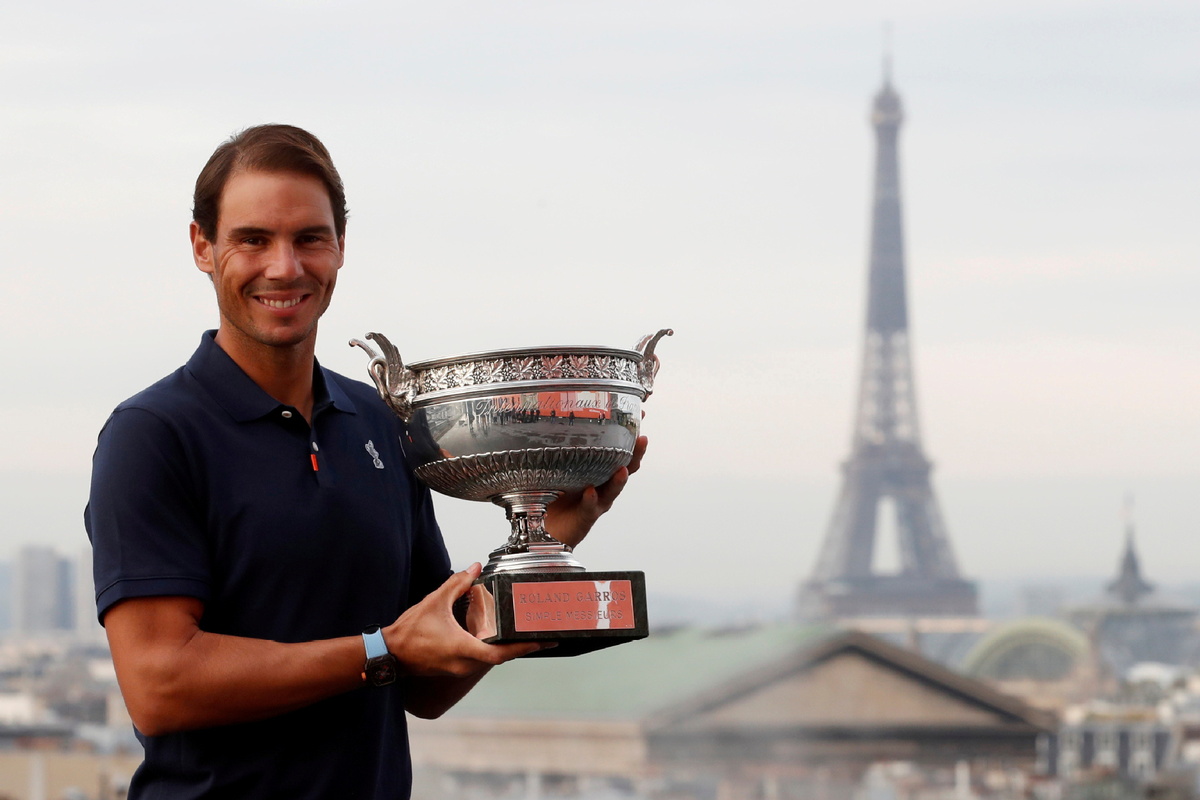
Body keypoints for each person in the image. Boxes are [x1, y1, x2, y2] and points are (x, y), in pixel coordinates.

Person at [84, 124, 645, 799]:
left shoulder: (380, 420)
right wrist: (381, 650)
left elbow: (427, 683)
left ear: (341, 247)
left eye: (309, 238)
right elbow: (160, 686)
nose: (285, 267)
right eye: (253, 239)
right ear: (203, 247)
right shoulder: (153, 434)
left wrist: (545, 540)